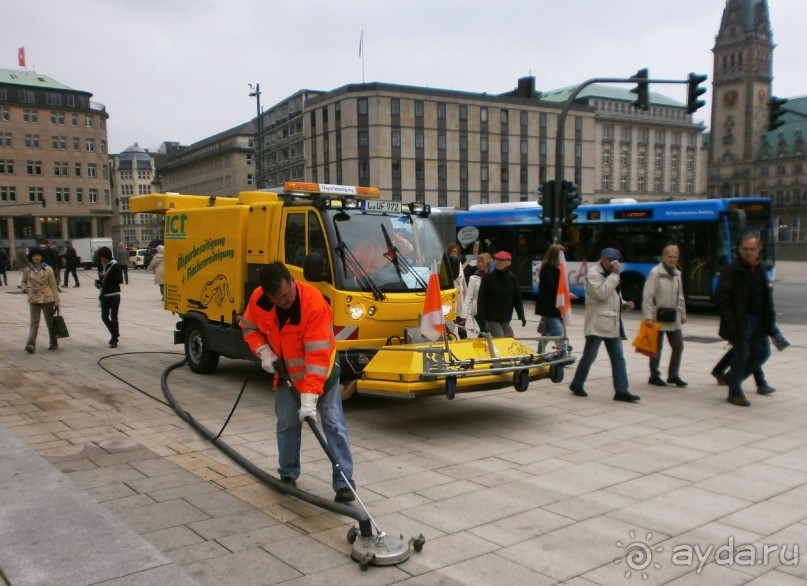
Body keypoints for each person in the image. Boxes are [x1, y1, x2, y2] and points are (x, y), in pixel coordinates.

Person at [240, 262, 356, 503]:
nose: (283, 302)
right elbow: (248, 328)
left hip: (322, 373)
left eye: (286, 295)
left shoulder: (313, 304)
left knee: (333, 423)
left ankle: (344, 484)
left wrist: (310, 399)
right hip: (286, 374)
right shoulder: (259, 300)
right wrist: (263, 351)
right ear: (267, 295)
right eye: (277, 299)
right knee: (286, 424)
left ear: (292, 281)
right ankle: (288, 474)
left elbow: (317, 356)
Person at [569, 248, 640, 403]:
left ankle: (622, 390)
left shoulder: (612, 275)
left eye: (614, 260)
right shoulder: (593, 274)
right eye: (609, 260)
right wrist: (615, 275)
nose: (612, 263)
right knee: (590, 355)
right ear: (602, 258)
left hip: (612, 322)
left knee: (618, 357)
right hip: (597, 323)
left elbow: (613, 296)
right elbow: (601, 294)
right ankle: (577, 383)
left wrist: (624, 303)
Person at [714, 233, 777, 407]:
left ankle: (733, 378)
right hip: (740, 319)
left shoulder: (761, 269)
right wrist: (729, 319)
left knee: (763, 352)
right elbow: (721, 297)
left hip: (759, 319)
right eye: (745, 249)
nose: (749, 252)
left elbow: (766, 297)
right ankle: (735, 392)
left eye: (752, 249)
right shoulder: (731, 270)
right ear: (740, 250)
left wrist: (770, 323)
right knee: (741, 355)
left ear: (759, 250)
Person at [641, 244, 687, 387]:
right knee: (656, 347)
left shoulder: (677, 274)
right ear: (664, 257)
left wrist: (682, 313)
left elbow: (681, 296)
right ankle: (654, 375)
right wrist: (648, 317)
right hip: (657, 315)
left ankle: (673, 375)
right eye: (669, 256)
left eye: (675, 257)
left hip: (673, 315)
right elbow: (648, 296)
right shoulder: (656, 273)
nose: (672, 259)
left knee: (678, 346)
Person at [476, 250, 526, 338]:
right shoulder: (488, 278)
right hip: (492, 317)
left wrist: (521, 315)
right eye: (497, 260)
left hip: (506, 317)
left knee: (504, 341)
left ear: (508, 263)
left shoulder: (512, 277)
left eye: (502, 260)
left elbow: (517, 298)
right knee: (501, 339)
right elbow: (481, 299)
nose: (498, 262)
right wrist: (482, 319)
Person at [21, 248, 60, 353]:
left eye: (38, 255)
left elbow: (53, 285)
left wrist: (57, 301)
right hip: (34, 298)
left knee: (49, 322)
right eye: (34, 256)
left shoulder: (48, 269)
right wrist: (25, 290)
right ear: (31, 257)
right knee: (34, 322)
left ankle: (53, 342)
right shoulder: (27, 269)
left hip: (47, 297)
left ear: (42, 257)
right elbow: (23, 282)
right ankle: (30, 345)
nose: (36, 257)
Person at [534, 244, 566, 353]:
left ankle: (540, 353)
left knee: (546, 333)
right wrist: (563, 294)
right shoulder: (548, 268)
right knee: (558, 329)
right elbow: (550, 286)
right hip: (549, 305)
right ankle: (563, 353)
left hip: (550, 305)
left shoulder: (551, 268)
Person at [95, 246, 123, 348]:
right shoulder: (103, 265)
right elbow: (102, 280)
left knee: (114, 317)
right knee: (104, 317)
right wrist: (98, 283)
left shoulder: (115, 265)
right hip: (104, 295)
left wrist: (106, 275)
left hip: (114, 295)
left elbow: (120, 280)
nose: (102, 260)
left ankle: (114, 338)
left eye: (103, 257)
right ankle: (115, 333)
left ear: (107, 256)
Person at [461, 252, 492, 336]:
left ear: (488, 263)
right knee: (487, 331)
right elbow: (468, 297)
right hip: (478, 311)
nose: (480, 264)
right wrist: (463, 315)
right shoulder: (473, 278)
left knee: (485, 333)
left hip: (490, 310)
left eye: (483, 262)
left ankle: (477, 346)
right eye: (479, 262)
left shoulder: (493, 277)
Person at [446, 243, 467, 339]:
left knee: (462, 328)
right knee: (449, 330)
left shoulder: (460, 265)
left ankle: (464, 345)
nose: (454, 253)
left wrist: (467, 300)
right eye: (452, 252)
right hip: (449, 301)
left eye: (456, 252)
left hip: (460, 302)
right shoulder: (442, 265)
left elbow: (463, 283)